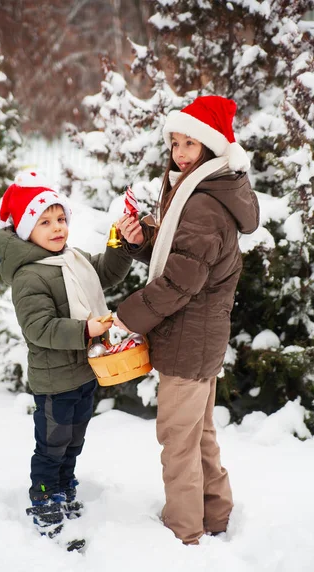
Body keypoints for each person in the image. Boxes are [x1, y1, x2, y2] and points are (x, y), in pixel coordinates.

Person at [114, 95, 260, 545]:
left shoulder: (202, 205)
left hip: (187, 340)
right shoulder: (204, 191)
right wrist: (144, 244)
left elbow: (179, 283)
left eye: (189, 143)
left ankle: (184, 532)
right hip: (200, 339)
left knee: (178, 440)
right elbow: (188, 261)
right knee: (199, 436)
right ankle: (215, 515)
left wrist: (125, 319)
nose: (179, 152)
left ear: (211, 148)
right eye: (174, 142)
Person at [0, 170, 132, 537]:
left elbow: (106, 272)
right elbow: (38, 328)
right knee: (51, 444)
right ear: (26, 230)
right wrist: (86, 330)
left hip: (85, 372)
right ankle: (43, 496)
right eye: (45, 222)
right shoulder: (29, 276)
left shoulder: (72, 259)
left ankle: (65, 487)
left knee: (74, 440)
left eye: (60, 220)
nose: (58, 229)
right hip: (54, 381)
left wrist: (122, 246)